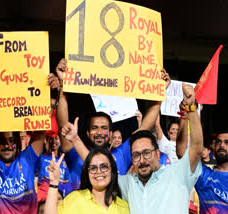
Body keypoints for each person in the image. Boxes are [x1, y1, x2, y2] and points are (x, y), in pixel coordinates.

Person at [56, 58, 170, 187]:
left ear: (110, 134)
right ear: (87, 133)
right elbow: (62, 124)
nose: (99, 132)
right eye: (95, 128)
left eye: (104, 128)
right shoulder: (75, 151)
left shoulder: (121, 155)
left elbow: (145, 127)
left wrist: (160, 92)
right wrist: (63, 85)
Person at [117, 83, 203, 213]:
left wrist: (191, 107)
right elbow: (99, 171)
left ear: (158, 153)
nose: (142, 160)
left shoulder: (177, 174)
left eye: (147, 153)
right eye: (136, 155)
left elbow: (196, 149)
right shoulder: (127, 183)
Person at [44, 148, 129, 213]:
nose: (98, 171)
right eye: (93, 168)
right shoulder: (75, 199)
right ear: (87, 173)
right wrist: (54, 182)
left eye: (104, 167)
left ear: (112, 170)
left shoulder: (123, 206)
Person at [177, 127, 228, 213]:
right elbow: (182, 153)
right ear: (214, 146)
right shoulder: (204, 175)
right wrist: (186, 118)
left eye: (227, 142)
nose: (222, 145)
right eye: (218, 142)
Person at [37, 134, 73, 201]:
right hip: (44, 195)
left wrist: (60, 182)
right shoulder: (41, 158)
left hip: (60, 196)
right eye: (51, 138)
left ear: (60, 141)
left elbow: (68, 180)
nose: (54, 141)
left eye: (56, 138)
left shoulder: (63, 160)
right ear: (46, 140)